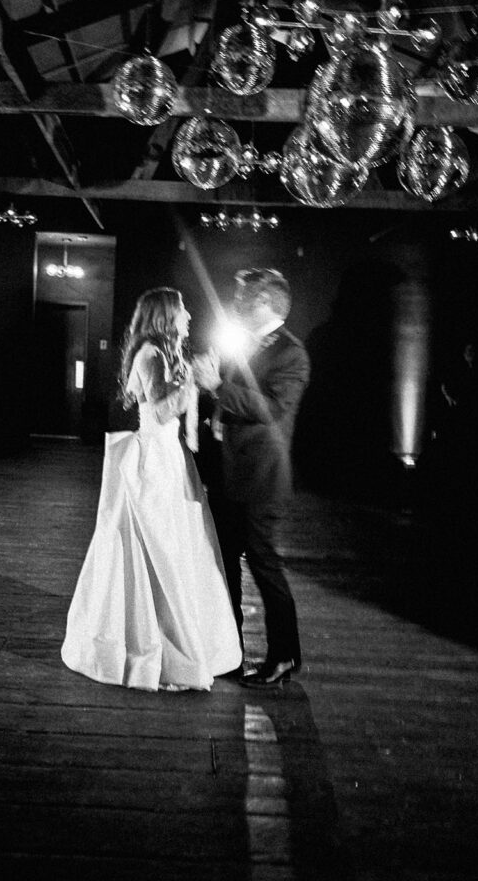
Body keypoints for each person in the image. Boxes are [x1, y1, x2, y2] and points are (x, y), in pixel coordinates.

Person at [61, 287, 242, 692]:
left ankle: (182, 643)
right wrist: (192, 380)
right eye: (182, 311)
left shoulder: (165, 353)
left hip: (171, 458)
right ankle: (155, 649)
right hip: (154, 461)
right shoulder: (149, 354)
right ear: (164, 316)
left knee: (179, 549)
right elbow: (159, 410)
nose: (189, 317)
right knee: (157, 550)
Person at [193, 268, 311, 690]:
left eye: (243, 298)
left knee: (264, 568)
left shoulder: (293, 354)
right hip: (227, 475)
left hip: (261, 480)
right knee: (226, 569)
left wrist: (218, 386)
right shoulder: (240, 342)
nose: (236, 303)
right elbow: (224, 397)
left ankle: (284, 656)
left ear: (264, 303)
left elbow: (272, 409)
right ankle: (229, 653)